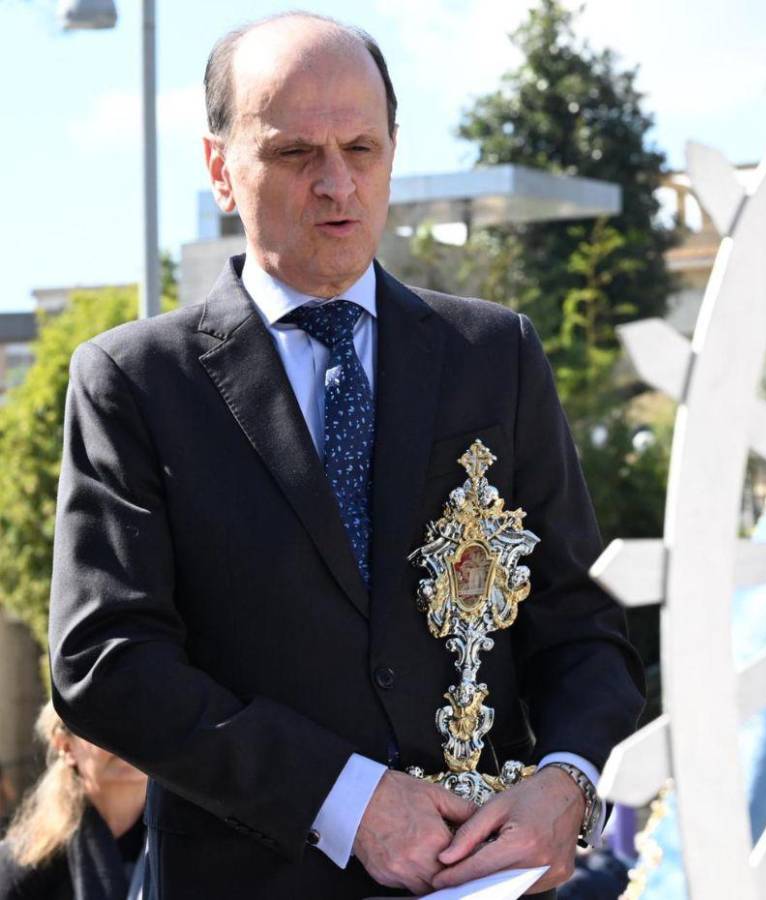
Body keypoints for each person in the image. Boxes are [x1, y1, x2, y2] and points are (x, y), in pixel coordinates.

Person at [47, 12, 643, 900]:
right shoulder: (134, 381)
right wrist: (346, 798)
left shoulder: (495, 356)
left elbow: (586, 625)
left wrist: (568, 785)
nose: (337, 184)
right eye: (295, 154)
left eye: (361, 148)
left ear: (393, 153)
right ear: (220, 169)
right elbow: (106, 661)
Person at [0, 704, 147, 900]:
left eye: (143, 722)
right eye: (105, 723)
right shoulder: (23, 866)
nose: (127, 737)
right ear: (66, 747)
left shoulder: (189, 847)